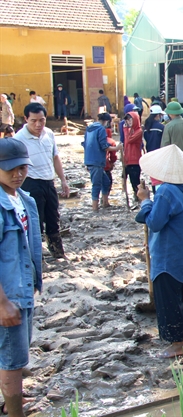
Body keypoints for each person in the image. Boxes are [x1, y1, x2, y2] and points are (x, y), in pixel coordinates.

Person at [135, 145, 183, 359]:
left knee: (168, 299)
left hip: (168, 254)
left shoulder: (165, 191)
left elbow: (155, 222)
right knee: (181, 291)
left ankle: (176, 342)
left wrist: (145, 201)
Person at [0, 139, 42, 417]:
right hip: (8, 293)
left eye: (22, 168)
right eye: (10, 169)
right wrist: (2, 302)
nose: (18, 174)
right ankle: (13, 411)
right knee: (13, 359)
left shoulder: (24, 199)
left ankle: (11, 396)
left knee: (15, 352)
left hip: (22, 287)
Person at [14, 103, 69, 258]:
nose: (38, 124)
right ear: (26, 119)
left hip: (48, 181)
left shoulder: (49, 134)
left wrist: (63, 181)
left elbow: (55, 157)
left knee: (53, 217)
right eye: (33, 121)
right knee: (34, 221)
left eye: (42, 120)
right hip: (30, 183)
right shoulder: (19, 139)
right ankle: (36, 258)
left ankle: (57, 253)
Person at [82, 113, 122, 211]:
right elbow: (104, 146)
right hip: (97, 161)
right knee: (96, 184)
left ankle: (105, 202)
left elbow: (84, 144)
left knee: (106, 181)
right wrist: (117, 148)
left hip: (90, 159)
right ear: (107, 121)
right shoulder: (100, 129)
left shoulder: (89, 129)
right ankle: (95, 208)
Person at [123, 111, 143, 200]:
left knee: (135, 182)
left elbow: (129, 140)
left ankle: (140, 198)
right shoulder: (129, 130)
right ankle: (135, 198)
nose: (129, 122)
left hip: (135, 161)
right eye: (127, 120)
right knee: (128, 181)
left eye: (130, 119)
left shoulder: (139, 131)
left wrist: (125, 130)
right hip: (127, 160)